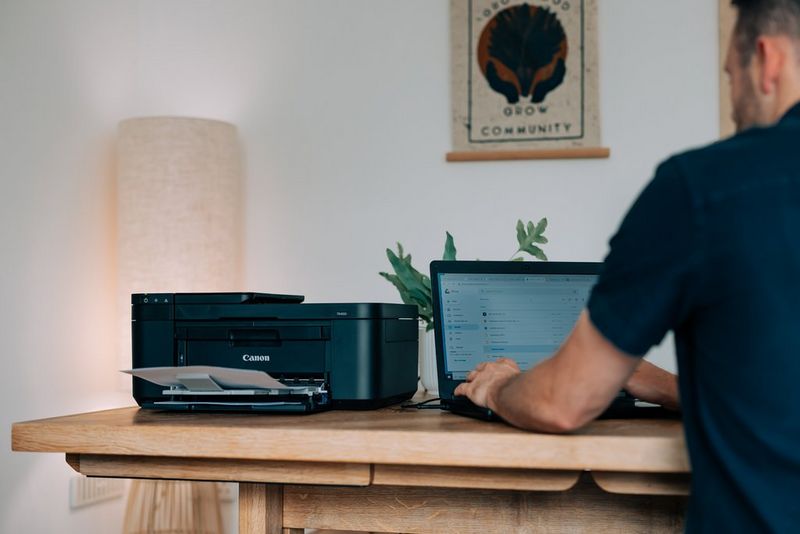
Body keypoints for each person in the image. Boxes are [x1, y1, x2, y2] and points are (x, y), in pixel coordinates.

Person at [454, 1, 800, 531]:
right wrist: (665, 387)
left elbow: (561, 404)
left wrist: (497, 386)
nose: (735, 105)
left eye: (732, 78)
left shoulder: (701, 189)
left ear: (766, 59)